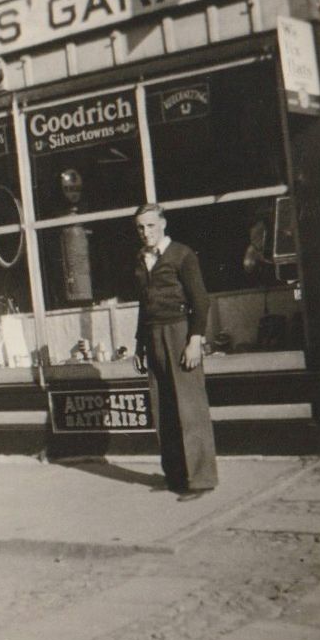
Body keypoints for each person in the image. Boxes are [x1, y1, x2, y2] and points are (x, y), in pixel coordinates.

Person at [133, 203, 218, 501]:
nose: (146, 232)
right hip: (153, 336)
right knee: (163, 409)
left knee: (189, 408)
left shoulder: (182, 255)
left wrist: (195, 340)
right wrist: (139, 346)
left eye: (151, 226)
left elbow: (201, 301)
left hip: (180, 333)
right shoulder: (141, 260)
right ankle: (176, 476)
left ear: (163, 224)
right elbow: (144, 306)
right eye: (141, 227)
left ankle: (201, 479)